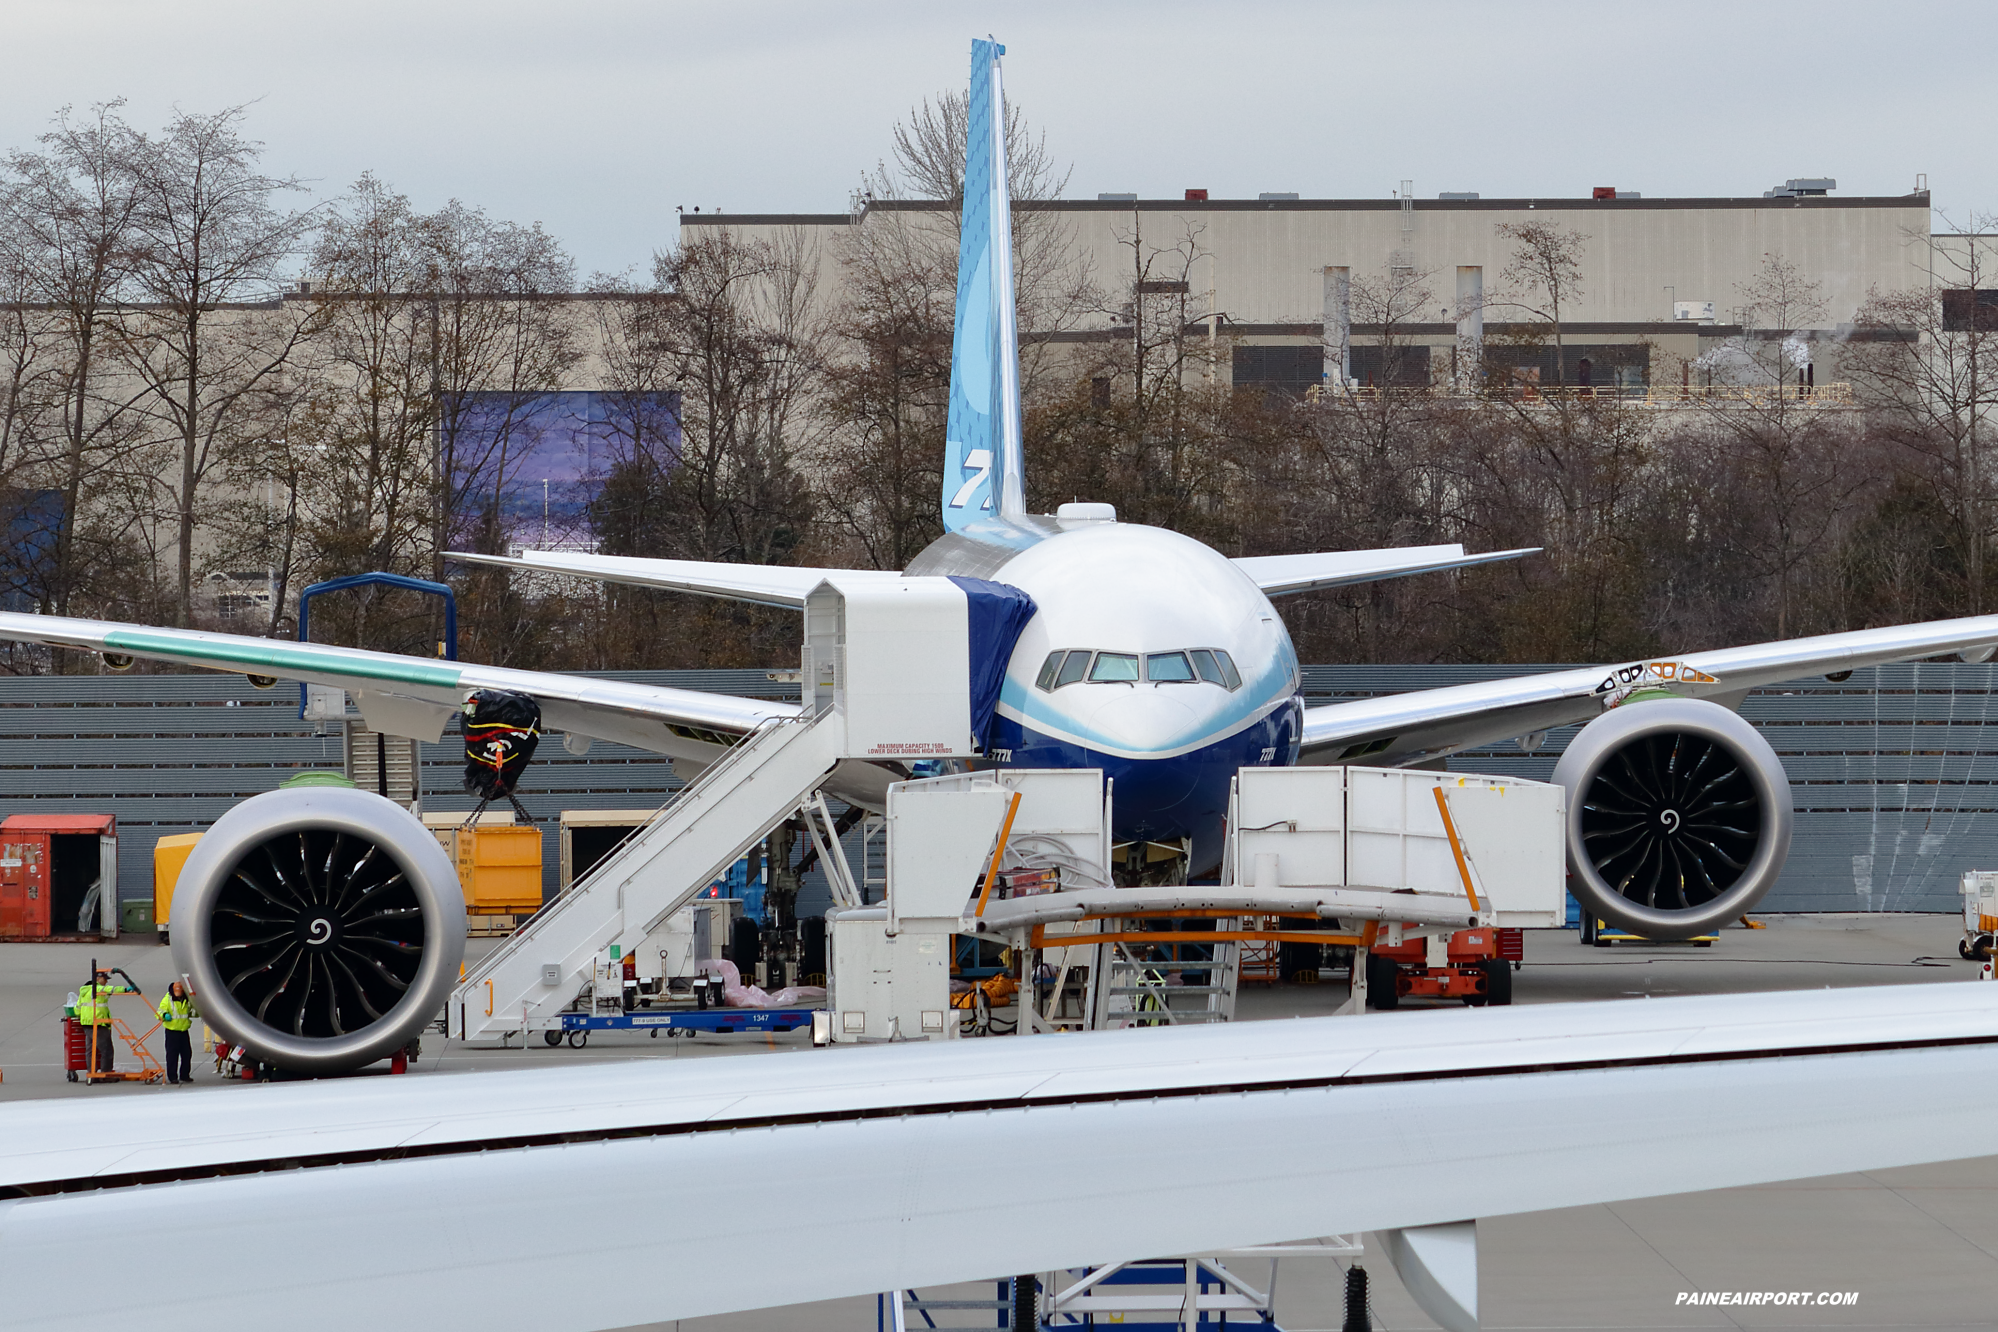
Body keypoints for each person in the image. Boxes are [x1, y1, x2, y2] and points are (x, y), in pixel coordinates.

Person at [76, 968, 134, 1078]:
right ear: (98, 978)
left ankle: (91, 1072)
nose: (106, 981)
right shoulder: (98, 989)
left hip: (86, 1024)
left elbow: (77, 1009)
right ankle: (105, 1073)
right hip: (98, 1023)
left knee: (91, 1049)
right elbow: (111, 989)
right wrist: (125, 989)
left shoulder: (84, 991)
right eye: (105, 979)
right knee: (106, 1049)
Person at [156, 981, 197, 1085]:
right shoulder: (167, 999)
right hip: (172, 1031)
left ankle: (184, 1075)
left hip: (183, 1031)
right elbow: (159, 1012)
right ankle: (172, 1076)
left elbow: (192, 1011)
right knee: (172, 1055)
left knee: (187, 1054)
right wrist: (164, 1015)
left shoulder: (186, 999)